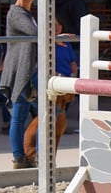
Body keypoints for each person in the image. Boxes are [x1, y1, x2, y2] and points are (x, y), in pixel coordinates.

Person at [0, 0, 39, 169]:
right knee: (43, 111)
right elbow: (35, 33)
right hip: (22, 72)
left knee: (23, 114)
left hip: (28, 70)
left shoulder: (27, 13)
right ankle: (24, 155)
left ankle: (24, 156)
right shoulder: (16, 13)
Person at [23, 17, 76, 164]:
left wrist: (73, 75)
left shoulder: (66, 43)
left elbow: (73, 63)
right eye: (52, 26)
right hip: (53, 82)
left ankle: (50, 157)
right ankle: (34, 154)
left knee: (57, 121)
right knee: (50, 117)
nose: (56, 28)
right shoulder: (46, 44)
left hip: (65, 82)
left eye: (58, 25)